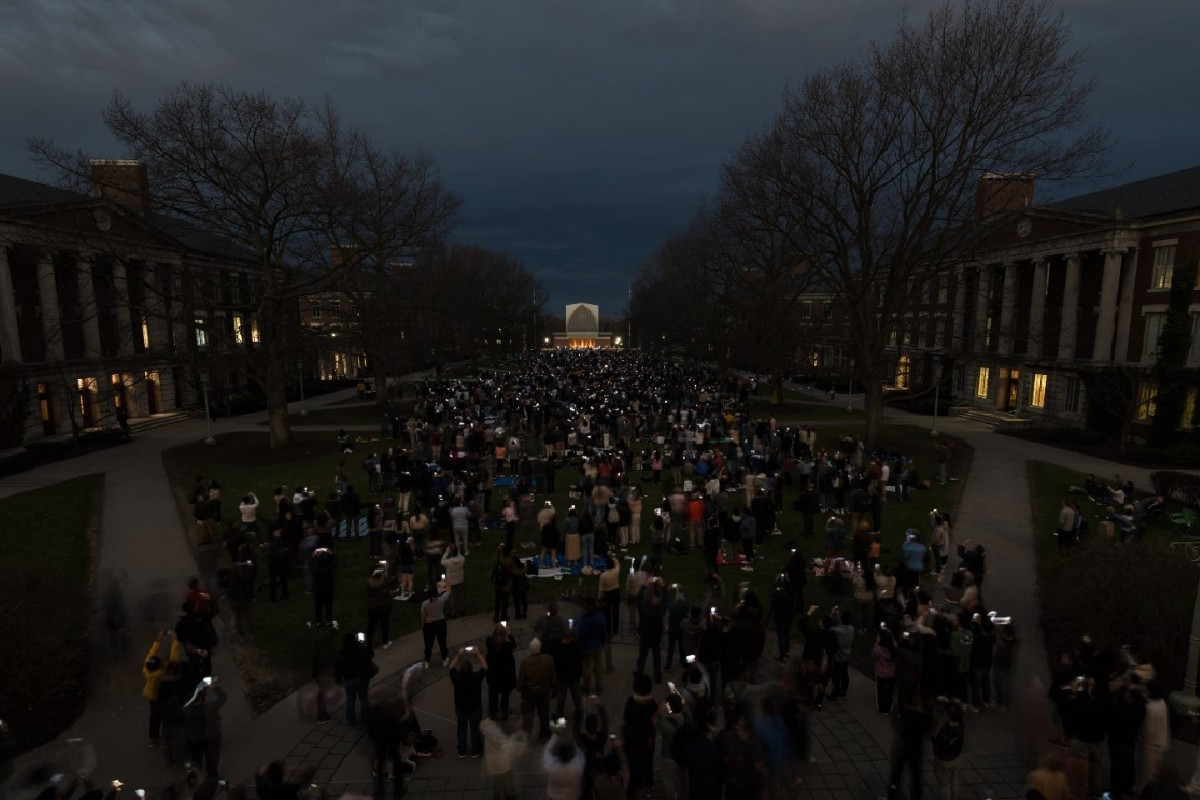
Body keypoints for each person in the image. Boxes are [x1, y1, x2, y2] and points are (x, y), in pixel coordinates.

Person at [183, 675, 226, 778]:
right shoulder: (210, 707)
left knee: (196, 760)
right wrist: (214, 686)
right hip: (212, 738)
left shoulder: (186, 710)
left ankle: (197, 779)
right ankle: (211, 778)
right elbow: (223, 696)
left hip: (195, 740)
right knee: (212, 760)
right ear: (202, 696)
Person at [449, 646, 488, 758]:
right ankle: (475, 750)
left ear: (461, 670)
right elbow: (485, 667)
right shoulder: (476, 677)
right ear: (471, 669)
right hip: (475, 707)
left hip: (461, 707)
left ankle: (461, 750)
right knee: (475, 728)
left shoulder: (457, 677)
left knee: (461, 728)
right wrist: (478, 654)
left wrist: (459, 655)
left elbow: (451, 667)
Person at [518, 637, 557, 742]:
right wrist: (553, 688)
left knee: (528, 714)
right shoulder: (548, 659)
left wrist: (522, 690)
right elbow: (553, 676)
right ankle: (544, 735)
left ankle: (527, 735)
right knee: (544, 714)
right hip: (544, 691)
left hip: (529, 693)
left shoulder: (525, 662)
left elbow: (521, 681)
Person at [335, 632, 377, 727]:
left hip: (348, 681)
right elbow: (371, 654)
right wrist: (365, 642)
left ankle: (350, 720)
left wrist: (339, 679)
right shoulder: (360, 651)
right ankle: (366, 718)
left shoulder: (341, 655)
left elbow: (337, 669)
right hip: (361, 678)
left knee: (350, 700)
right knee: (363, 698)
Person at [480, 714, 526, 800]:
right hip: (502, 764)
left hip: (493, 764)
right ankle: (510, 796)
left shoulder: (487, 725)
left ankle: (499, 796)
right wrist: (517, 736)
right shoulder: (496, 733)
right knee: (507, 785)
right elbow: (507, 746)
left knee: (497, 785)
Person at [543, 724, 586, 800]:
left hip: (554, 797)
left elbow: (547, 750)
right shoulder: (578, 765)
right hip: (573, 797)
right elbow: (580, 751)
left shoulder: (551, 766)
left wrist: (556, 734)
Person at [932, 701, 965, 800]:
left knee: (944, 785)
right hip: (956, 758)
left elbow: (939, 745)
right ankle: (955, 797)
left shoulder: (944, 731)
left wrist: (932, 738)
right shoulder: (961, 725)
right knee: (954, 781)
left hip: (944, 761)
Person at [486, 622, 517, 719]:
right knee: (505, 694)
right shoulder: (508, 646)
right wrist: (510, 634)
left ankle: (493, 711)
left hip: (493, 674)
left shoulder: (490, 642)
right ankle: (504, 711)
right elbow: (514, 644)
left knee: (493, 693)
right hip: (505, 675)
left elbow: (492, 638)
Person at [421, 581, 450, 668]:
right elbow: (449, 591)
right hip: (440, 623)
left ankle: (427, 661)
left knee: (428, 644)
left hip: (429, 625)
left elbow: (423, 617)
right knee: (442, 642)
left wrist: (423, 627)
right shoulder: (441, 600)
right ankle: (445, 659)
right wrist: (446, 582)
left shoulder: (425, 604)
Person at [365, 563, 395, 649]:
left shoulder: (369, 583)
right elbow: (393, 578)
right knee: (384, 624)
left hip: (372, 607)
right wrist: (387, 567)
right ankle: (385, 642)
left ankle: (368, 643)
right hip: (384, 607)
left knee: (371, 626)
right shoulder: (384, 582)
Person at [309, 547, 337, 627]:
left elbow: (311, 563)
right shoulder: (329, 566)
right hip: (328, 588)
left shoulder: (315, 568)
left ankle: (318, 621)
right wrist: (330, 553)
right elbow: (335, 561)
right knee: (328, 605)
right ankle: (329, 621)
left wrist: (314, 556)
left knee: (318, 605)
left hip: (318, 589)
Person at [873, 626, 898, 714]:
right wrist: (889, 632)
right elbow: (893, 641)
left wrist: (876, 643)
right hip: (892, 674)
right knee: (890, 691)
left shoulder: (878, 650)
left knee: (881, 691)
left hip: (881, 674)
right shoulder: (894, 648)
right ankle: (888, 707)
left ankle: (882, 708)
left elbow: (873, 654)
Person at [441, 543, 466, 618]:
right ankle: (462, 610)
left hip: (451, 581)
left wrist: (446, 552)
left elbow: (442, 561)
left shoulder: (448, 562)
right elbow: (459, 555)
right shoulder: (462, 559)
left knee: (453, 597)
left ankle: (453, 613)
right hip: (460, 580)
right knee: (461, 595)